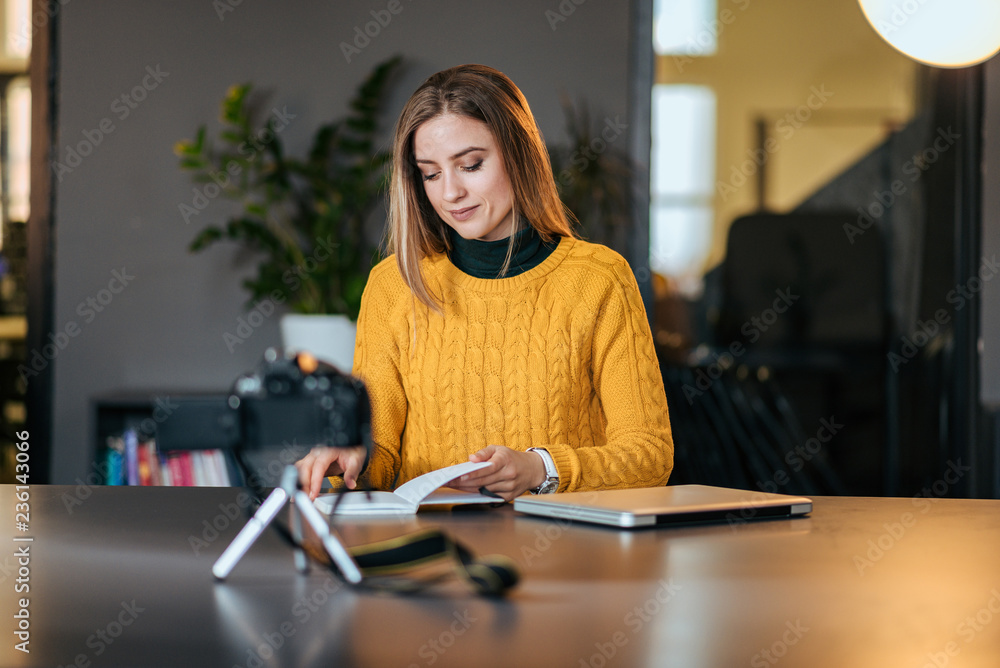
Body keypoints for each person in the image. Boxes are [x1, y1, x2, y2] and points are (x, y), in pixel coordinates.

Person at [296, 64, 673, 502]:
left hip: (564, 552)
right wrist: (349, 457)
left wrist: (539, 467)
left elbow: (650, 455)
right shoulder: (394, 285)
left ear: (519, 154)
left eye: (470, 165)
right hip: (430, 552)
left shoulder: (599, 280)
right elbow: (382, 458)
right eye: (431, 174)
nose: (450, 192)